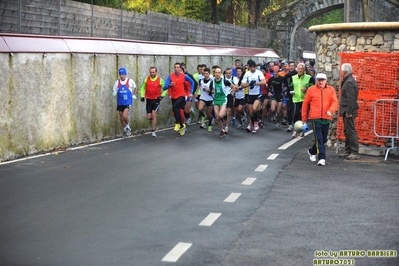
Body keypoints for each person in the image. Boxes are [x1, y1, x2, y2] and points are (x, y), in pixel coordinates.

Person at [301, 73, 338, 166]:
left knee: (323, 139)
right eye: (319, 80)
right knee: (319, 138)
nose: (320, 82)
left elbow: (335, 102)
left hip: (326, 117)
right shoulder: (311, 90)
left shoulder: (331, 90)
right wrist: (304, 119)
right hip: (315, 117)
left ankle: (312, 151)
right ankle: (322, 157)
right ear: (316, 80)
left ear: (326, 81)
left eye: (322, 80)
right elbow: (305, 104)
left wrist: (331, 110)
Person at [163, 63, 195, 136]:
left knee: (176, 107)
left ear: (180, 69)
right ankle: (181, 126)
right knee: (176, 111)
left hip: (182, 96)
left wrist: (191, 92)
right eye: (175, 67)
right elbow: (164, 87)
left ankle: (177, 123)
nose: (176, 69)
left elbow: (192, 82)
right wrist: (169, 85)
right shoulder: (170, 76)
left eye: (178, 67)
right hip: (174, 97)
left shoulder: (184, 76)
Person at [339, 63, 360, 160]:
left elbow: (351, 99)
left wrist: (349, 111)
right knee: (347, 131)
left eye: (341, 70)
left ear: (344, 71)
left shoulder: (349, 82)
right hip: (347, 109)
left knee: (350, 131)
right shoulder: (349, 81)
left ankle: (354, 152)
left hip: (348, 109)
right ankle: (348, 151)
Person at [139, 67, 167, 137]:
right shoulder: (146, 79)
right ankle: (153, 121)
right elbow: (142, 88)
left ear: (156, 72)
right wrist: (142, 96)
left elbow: (166, 88)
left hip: (156, 99)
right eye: (151, 72)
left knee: (154, 114)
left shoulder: (160, 80)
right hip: (149, 99)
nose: (152, 74)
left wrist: (162, 96)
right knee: (149, 117)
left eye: (153, 72)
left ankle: (153, 131)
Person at [290, 63, 315, 138]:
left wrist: (306, 89)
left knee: (303, 115)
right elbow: (291, 86)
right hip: (296, 99)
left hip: (305, 99)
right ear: (297, 69)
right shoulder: (293, 77)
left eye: (302, 69)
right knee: (295, 114)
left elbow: (313, 89)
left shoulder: (310, 78)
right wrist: (291, 91)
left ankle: (303, 130)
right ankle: (295, 130)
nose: (300, 70)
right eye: (299, 69)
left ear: (304, 70)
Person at [241, 60, 266, 133]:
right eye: (251, 67)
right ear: (249, 67)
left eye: (253, 67)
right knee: (251, 112)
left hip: (258, 93)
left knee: (255, 108)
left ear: (255, 67)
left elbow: (264, 82)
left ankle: (255, 124)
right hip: (250, 94)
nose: (252, 69)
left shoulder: (259, 73)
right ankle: (252, 124)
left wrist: (256, 83)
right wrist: (248, 84)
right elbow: (242, 85)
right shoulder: (247, 74)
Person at [112, 67, 137, 136]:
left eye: (122, 74)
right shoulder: (117, 82)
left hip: (127, 101)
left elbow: (135, 88)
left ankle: (128, 126)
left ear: (125, 74)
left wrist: (134, 95)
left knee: (124, 115)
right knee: (121, 118)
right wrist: (114, 92)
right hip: (120, 102)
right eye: (120, 74)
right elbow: (115, 90)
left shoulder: (130, 81)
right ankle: (126, 130)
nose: (121, 75)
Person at [209, 67, 232, 137]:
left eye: (218, 73)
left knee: (220, 115)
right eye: (216, 72)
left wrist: (231, 93)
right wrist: (211, 91)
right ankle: (222, 130)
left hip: (223, 100)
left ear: (221, 74)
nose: (217, 74)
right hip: (216, 100)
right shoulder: (212, 82)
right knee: (217, 118)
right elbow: (211, 90)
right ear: (214, 73)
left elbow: (233, 86)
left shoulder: (224, 81)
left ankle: (225, 112)